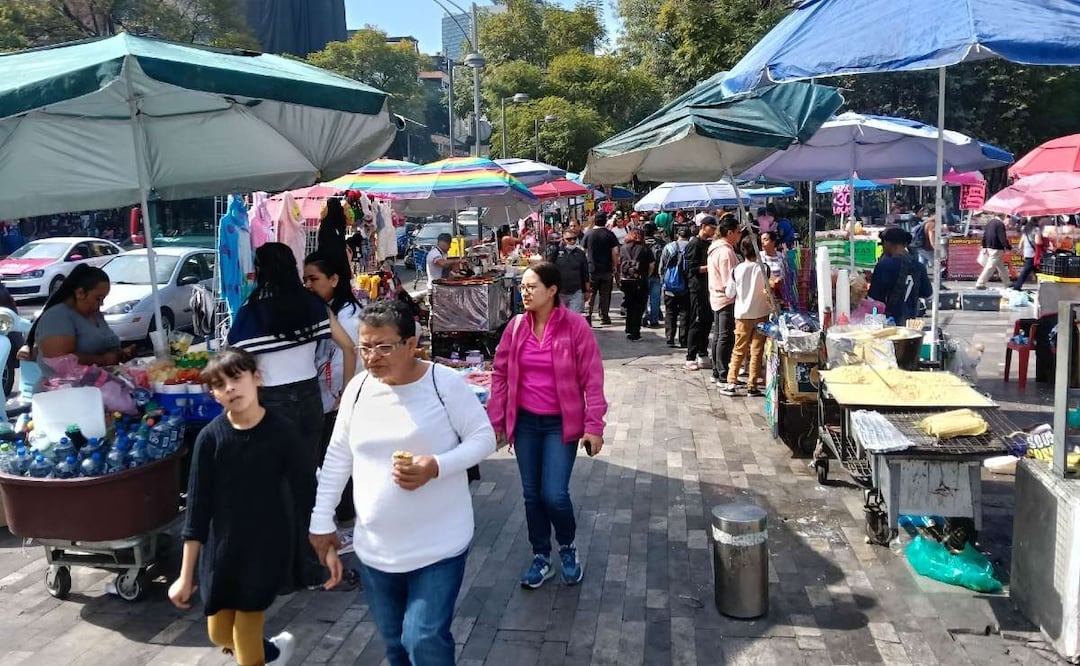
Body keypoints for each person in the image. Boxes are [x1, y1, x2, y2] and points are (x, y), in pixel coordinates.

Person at [309, 301, 495, 666]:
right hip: (377, 550)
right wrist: (321, 520)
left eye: (383, 347)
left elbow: (483, 438)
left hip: (439, 547)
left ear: (411, 344)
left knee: (423, 638)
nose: (372, 357)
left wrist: (437, 466)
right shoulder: (359, 388)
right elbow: (337, 458)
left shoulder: (443, 384)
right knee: (395, 645)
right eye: (365, 347)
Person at [168, 348, 315, 666]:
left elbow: (307, 490)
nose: (230, 388)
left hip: (267, 547)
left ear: (256, 378)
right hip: (221, 551)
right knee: (219, 634)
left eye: (236, 378)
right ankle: (272, 652)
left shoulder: (282, 432)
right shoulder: (210, 439)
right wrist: (185, 575)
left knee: (246, 630)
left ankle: (260, 657)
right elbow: (196, 511)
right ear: (214, 395)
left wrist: (321, 546)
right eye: (220, 385)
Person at [228, 242, 357, 589]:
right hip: (308, 399)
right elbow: (348, 346)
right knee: (305, 479)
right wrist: (347, 392)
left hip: (270, 402)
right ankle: (313, 561)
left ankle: (286, 565)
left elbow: (232, 362)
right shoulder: (312, 304)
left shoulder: (250, 312)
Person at [488, 262, 607, 589]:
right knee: (531, 495)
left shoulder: (575, 326)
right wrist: (495, 420)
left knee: (553, 493)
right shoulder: (514, 328)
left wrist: (594, 425)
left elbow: (592, 380)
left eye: (531, 287)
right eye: (522, 287)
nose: (524, 293)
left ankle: (567, 546)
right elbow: (499, 376)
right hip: (525, 423)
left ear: (552, 291)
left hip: (560, 424)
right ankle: (541, 556)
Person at [304, 251, 363, 538]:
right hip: (331, 398)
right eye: (305, 280)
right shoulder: (327, 310)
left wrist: (345, 394)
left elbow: (348, 358)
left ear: (335, 279)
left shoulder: (347, 317)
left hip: (341, 398)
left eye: (314, 279)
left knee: (337, 460)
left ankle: (349, 520)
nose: (308, 285)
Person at [25, 264, 136, 377]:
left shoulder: (95, 314)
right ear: (80, 293)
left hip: (99, 385)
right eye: (98, 298)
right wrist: (103, 360)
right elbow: (60, 361)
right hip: (65, 390)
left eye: (103, 299)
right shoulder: (56, 317)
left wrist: (120, 354)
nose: (101, 303)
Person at [718, 237, 771, 397]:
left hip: (742, 314)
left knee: (739, 349)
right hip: (762, 313)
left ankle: (731, 382)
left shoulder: (737, 270)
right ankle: (752, 385)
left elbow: (730, 293)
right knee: (757, 351)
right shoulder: (764, 268)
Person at [868, 227, 933, 325]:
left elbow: (873, 299)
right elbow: (928, 294)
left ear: (887, 243)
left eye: (883, 245)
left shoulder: (883, 266)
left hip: (888, 323)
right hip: (910, 324)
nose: (883, 249)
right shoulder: (919, 267)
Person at [707, 215, 740, 384]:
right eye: (738, 232)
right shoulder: (726, 252)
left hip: (716, 296)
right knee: (724, 337)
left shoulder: (716, 249)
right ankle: (722, 372)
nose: (739, 235)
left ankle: (717, 370)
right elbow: (730, 281)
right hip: (725, 298)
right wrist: (735, 294)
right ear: (730, 232)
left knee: (719, 336)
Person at [684, 217, 716, 371]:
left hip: (708, 287)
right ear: (703, 226)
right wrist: (709, 267)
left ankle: (703, 352)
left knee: (707, 320)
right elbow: (691, 268)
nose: (714, 230)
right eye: (712, 227)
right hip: (696, 287)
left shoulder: (709, 244)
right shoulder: (694, 244)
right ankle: (690, 356)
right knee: (696, 321)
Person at [617, 228, 655, 341]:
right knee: (638, 308)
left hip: (626, 280)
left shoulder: (623, 248)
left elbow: (619, 262)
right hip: (640, 281)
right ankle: (635, 332)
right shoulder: (645, 249)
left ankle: (628, 329)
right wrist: (646, 275)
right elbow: (652, 265)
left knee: (629, 305)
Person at [582, 213, 620, 326]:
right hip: (607, 269)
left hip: (591, 269)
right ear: (605, 221)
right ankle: (604, 316)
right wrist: (614, 266)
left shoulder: (588, 234)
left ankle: (588, 317)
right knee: (605, 294)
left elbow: (582, 251)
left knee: (591, 293)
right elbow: (615, 252)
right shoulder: (610, 234)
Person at [660, 226, 691, 348]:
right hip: (686, 286)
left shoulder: (668, 247)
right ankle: (683, 339)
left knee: (670, 313)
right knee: (685, 313)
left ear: (678, 235)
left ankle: (670, 338)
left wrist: (664, 282)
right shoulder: (690, 247)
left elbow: (662, 267)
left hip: (669, 287)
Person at [547, 229, 590, 314]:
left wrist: (587, 291)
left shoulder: (580, 253)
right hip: (560, 292)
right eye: (569, 239)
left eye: (574, 238)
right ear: (563, 240)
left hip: (576, 292)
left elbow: (585, 273)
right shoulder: (556, 252)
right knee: (560, 319)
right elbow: (549, 268)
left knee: (574, 319)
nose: (572, 241)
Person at [975, 215, 1012, 289]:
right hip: (996, 248)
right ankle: (980, 283)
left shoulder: (990, 223)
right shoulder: (1000, 224)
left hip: (990, 247)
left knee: (1001, 267)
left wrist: (984, 246)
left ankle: (1007, 283)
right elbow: (1002, 237)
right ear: (1003, 216)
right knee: (990, 266)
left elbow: (985, 235)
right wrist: (1008, 247)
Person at [318, 198, 351, 270]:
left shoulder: (324, 221)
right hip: (340, 254)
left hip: (326, 255)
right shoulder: (341, 217)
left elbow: (320, 239)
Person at [642, 223, 665, 328]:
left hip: (642, 274)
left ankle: (643, 316)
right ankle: (654, 319)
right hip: (656, 274)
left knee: (643, 297)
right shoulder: (661, 243)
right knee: (655, 299)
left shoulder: (640, 243)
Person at [1012, 218, 1041, 290]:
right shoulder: (1036, 229)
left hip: (1027, 252)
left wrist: (1020, 248)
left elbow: (1021, 241)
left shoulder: (1026, 229)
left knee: (1037, 270)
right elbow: (1038, 242)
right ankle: (1017, 286)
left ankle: (1042, 286)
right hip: (1033, 253)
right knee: (1026, 271)